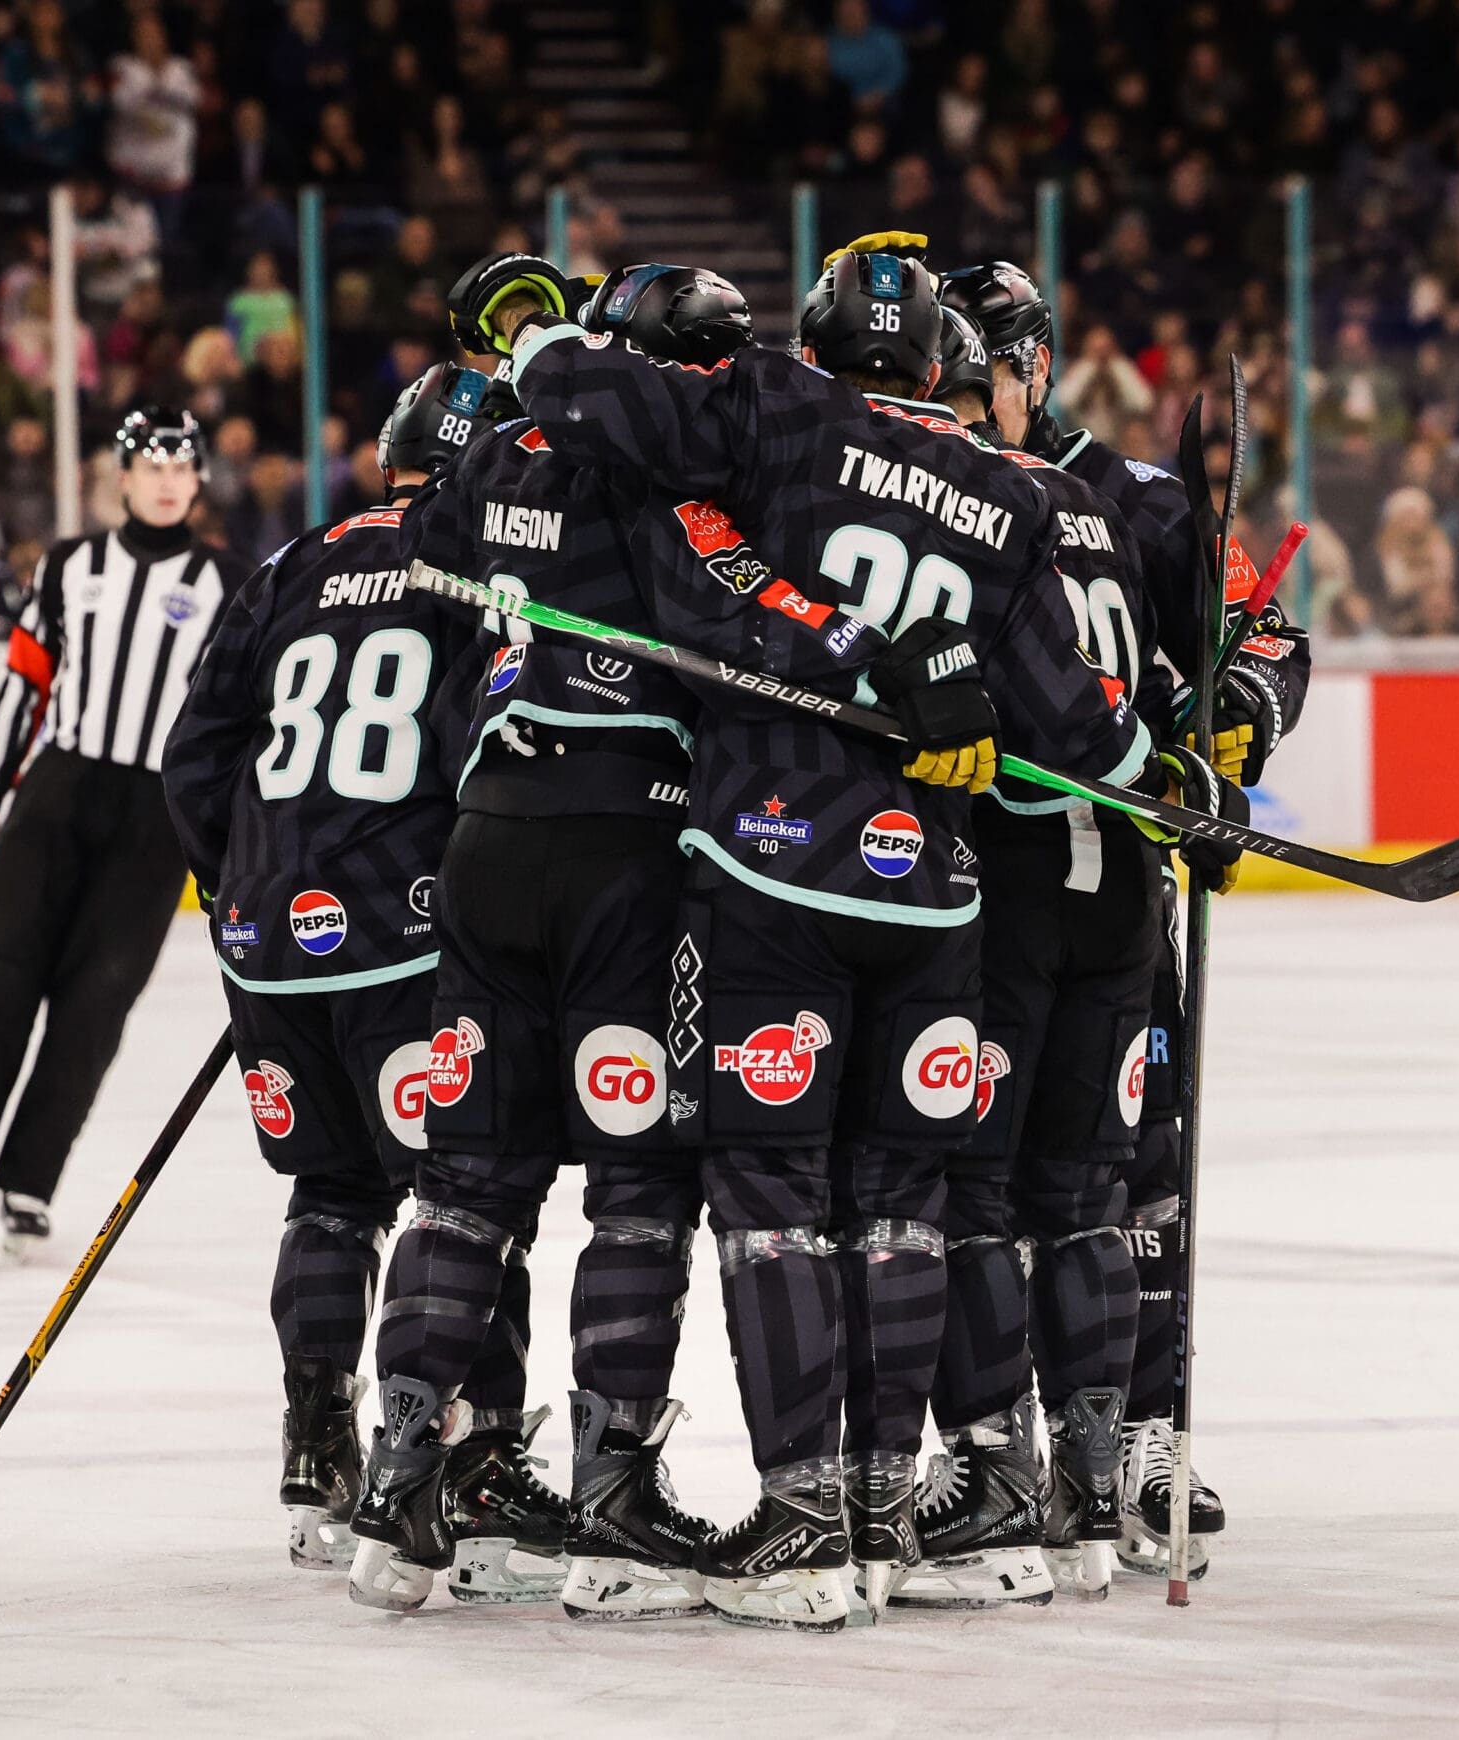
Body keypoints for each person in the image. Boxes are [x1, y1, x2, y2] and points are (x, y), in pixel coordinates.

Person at [465, 247, 1154, 1629]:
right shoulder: (1012, 500)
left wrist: (533, 339)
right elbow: (1082, 738)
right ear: (948, 360)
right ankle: (888, 1523)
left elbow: (624, 415)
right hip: (934, 900)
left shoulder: (777, 407)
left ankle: (800, 1521)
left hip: (771, 866)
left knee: (775, 1202)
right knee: (903, 1203)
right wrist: (1177, 781)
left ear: (824, 339)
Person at [348, 265, 786, 1621]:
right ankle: (611, 1498)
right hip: (622, 849)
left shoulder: (491, 460)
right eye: (704, 365)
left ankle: (400, 1482)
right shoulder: (663, 471)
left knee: (468, 1173)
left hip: (492, 832)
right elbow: (739, 617)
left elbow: (440, 552)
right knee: (641, 1178)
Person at [940, 259, 1311, 1581]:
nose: (958, 388)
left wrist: (1232, 727)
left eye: (978, 362)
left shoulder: (1147, 503)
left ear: (1034, 368)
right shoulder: (935, 476)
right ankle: (1012, 1449)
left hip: (1109, 896)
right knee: (1005, 1177)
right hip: (984, 895)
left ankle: (1141, 1434)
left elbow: (1269, 639)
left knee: (1130, 1175)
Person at [159, 364, 511, 1577]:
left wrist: (246, 895)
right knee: (461, 1192)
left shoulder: (288, 564)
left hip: (266, 940)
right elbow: (481, 752)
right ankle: (470, 1462)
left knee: (328, 1195)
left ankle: (315, 1449)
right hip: (404, 934)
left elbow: (191, 762)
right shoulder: (471, 561)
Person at [0, 409, 242, 1260]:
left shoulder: (232, 581)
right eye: (151, 465)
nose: (165, 480)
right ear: (120, 475)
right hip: (57, 795)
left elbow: (234, 716)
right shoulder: (69, 567)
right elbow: (24, 688)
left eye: (181, 468)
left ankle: (29, 1184)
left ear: (196, 481)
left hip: (155, 815)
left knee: (94, 1007)